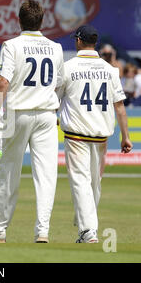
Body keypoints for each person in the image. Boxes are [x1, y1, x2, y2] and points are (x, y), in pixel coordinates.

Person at [0, 0, 64, 244]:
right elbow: (59, 84)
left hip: (18, 112)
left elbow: (3, 81)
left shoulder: (12, 45)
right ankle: (42, 231)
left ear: (19, 21)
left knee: (9, 171)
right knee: (47, 175)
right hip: (46, 114)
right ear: (42, 21)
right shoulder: (56, 47)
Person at [56, 25, 132, 243]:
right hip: (101, 137)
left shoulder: (68, 67)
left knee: (81, 182)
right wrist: (126, 136)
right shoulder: (110, 70)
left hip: (77, 135)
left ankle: (88, 230)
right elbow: (119, 106)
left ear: (79, 41)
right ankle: (86, 224)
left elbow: (56, 99)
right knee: (94, 184)